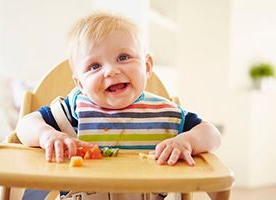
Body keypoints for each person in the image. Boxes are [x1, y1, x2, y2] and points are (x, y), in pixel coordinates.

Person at [16, 12, 221, 200]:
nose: (111, 71)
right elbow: (26, 124)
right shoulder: (75, 109)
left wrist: (187, 141)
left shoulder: (165, 114)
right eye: (94, 66)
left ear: (147, 66)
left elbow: (211, 134)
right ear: (80, 84)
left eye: (123, 57)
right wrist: (47, 135)